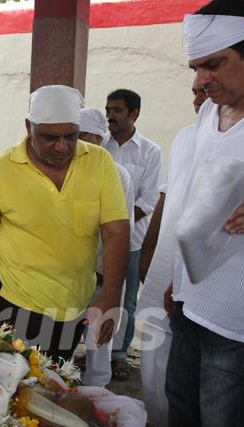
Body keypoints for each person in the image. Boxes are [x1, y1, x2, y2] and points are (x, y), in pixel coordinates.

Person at [164, 2, 244, 427]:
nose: (204, 79)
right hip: (190, 303)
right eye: (197, 67)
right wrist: (179, 280)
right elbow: (194, 205)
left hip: (239, 321)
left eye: (215, 63)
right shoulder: (208, 116)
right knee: (182, 425)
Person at [0, 85, 130, 360]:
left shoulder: (99, 162)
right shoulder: (1, 170)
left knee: (56, 377)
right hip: (18, 304)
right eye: (50, 138)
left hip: (75, 303)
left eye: (70, 136)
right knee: (19, 382)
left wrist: (111, 293)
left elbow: (116, 231)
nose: (62, 147)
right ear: (29, 127)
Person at [135, 85, 207, 426]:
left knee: (191, 369)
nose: (196, 99)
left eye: (204, 92)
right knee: (153, 348)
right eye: (194, 91)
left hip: (203, 275)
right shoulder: (185, 138)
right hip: (166, 265)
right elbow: (166, 198)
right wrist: (149, 252)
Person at [102, 89, 162, 380]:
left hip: (131, 241)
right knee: (95, 293)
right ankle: (93, 349)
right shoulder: (100, 146)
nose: (110, 115)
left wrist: (116, 225)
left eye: (117, 110)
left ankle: (119, 354)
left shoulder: (150, 152)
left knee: (126, 299)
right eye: (108, 109)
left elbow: (149, 200)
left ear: (134, 113)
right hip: (96, 240)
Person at [77, 107, 135, 386]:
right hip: (68, 277)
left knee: (98, 350)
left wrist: (111, 286)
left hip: (101, 275)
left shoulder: (117, 174)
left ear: (98, 139)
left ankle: (95, 394)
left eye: (80, 136)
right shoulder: (64, 170)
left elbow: (120, 234)